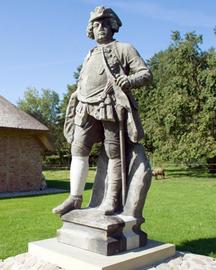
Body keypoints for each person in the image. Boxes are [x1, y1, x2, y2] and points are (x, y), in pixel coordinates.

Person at [52, 6, 152, 216]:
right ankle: (74, 197)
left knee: (114, 152)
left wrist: (129, 80)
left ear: (113, 26)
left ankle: (111, 200)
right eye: (96, 25)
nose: (100, 28)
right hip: (85, 106)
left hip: (110, 106)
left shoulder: (124, 48)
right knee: (78, 148)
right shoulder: (89, 54)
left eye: (104, 24)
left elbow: (145, 74)